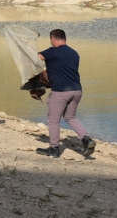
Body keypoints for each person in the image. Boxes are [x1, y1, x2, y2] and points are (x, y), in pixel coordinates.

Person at [36, 29, 96, 158]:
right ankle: (86, 139)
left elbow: (36, 57)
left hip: (60, 92)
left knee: (53, 120)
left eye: (51, 40)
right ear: (65, 38)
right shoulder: (74, 53)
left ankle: (54, 148)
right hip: (76, 90)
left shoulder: (52, 52)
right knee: (70, 117)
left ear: (53, 39)